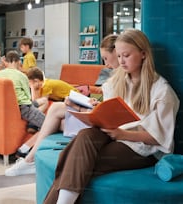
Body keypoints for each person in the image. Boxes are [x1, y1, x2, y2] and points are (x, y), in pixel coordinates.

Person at [43, 29, 180, 203]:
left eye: (126, 55)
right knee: (85, 136)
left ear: (143, 54)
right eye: (119, 55)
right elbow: (108, 114)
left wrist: (123, 135)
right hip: (115, 135)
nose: (121, 62)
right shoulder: (117, 82)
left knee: (73, 161)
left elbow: (159, 138)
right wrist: (84, 109)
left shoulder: (162, 92)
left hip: (142, 148)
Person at [5, 34, 119, 176]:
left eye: (107, 58)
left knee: (52, 115)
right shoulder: (114, 79)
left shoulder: (116, 82)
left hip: (104, 124)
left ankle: (28, 157)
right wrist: (95, 104)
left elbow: (112, 113)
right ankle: (28, 156)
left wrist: (81, 107)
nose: (106, 64)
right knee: (55, 110)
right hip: (95, 112)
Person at [0, 50, 45, 135]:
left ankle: (33, 125)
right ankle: (33, 126)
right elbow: (28, 97)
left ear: (6, 62)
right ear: (18, 62)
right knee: (48, 121)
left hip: (5, 105)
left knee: (39, 105)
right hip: (23, 107)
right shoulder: (21, 76)